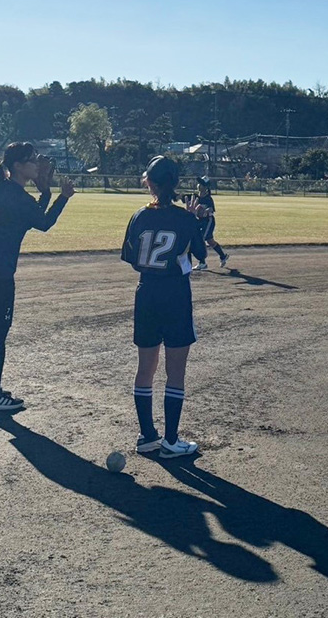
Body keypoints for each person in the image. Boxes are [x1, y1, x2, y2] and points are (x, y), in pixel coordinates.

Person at [0, 142, 74, 412]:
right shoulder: (16, 196)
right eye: (31, 160)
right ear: (17, 166)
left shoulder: (4, 189)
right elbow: (44, 223)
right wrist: (62, 196)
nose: (38, 164)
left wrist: (46, 192)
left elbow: (33, 217)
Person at [121, 156, 207, 458]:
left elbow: (131, 258)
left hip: (146, 293)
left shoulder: (138, 216)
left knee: (145, 368)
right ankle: (171, 440)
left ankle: (147, 435)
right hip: (175, 296)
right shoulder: (184, 219)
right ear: (175, 184)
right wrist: (195, 220)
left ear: (150, 182)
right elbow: (199, 254)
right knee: (175, 371)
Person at [192, 175, 230, 270]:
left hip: (208, 221)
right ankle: (223, 256)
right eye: (199, 183)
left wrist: (206, 210)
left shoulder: (208, 198)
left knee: (201, 239)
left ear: (205, 187)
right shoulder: (196, 196)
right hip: (200, 221)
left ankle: (202, 262)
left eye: (201, 184)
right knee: (210, 241)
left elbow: (211, 210)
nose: (199, 185)